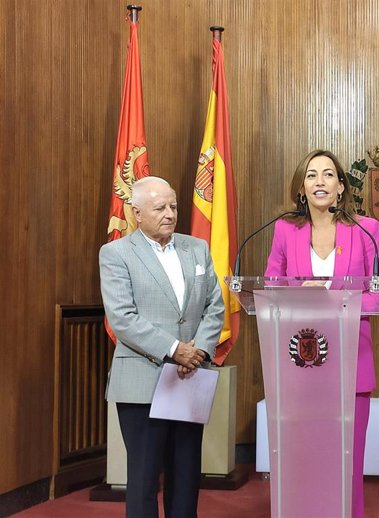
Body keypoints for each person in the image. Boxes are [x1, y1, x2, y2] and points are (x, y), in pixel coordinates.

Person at [264, 149, 379, 518]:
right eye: (312, 175)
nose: (320, 181)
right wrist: (296, 294)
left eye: (328, 175)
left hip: (352, 364)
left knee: (347, 462)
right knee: (304, 458)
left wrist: (337, 300)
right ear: (301, 188)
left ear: (340, 187)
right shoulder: (285, 230)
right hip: (300, 365)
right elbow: (271, 287)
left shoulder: (365, 228)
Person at [99, 176, 225, 518]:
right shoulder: (116, 253)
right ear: (137, 212)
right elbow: (123, 318)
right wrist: (174, 349)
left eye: (173, 206)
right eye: (160, 208)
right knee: (143, 480)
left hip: (189, 378)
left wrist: (197, 350)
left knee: (186, 475)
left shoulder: (196, 248)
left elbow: (215, 306)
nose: (170, 214)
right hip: (142, 382)